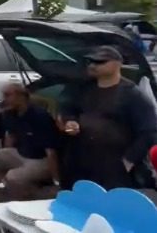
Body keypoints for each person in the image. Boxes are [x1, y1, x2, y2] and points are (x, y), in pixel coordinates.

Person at [60, 45, 157, 189]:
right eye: (91, 62)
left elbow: (148, 131)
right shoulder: (84, 89)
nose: (93, 66)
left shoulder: (132, 94)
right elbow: (68, 109)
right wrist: (70, 122)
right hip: (83, 161)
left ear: (117, 64)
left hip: (114, 166)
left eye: (100, 62)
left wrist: (128, 161)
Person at [0, 84, 59, 200]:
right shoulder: (10, 113)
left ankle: (25, 200)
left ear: (21, 96)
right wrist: (6, 158)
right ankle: (2, 191)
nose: (4, 99)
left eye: (8, 95)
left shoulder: (40, 116)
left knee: (13, 176)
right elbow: (10, 137)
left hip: (40, 159)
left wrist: (56, 180)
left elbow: (51, 151)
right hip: (20, 154)